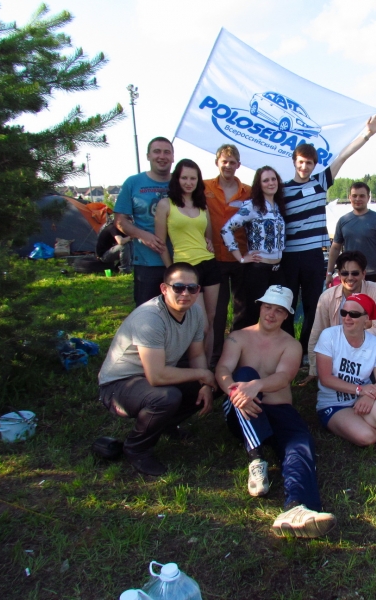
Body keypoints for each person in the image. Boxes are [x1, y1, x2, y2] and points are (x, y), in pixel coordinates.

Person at [215, 285, 336, 539]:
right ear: (260, 307)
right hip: (242, 412)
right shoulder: (238, 337)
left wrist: (257, 386)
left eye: (278, 310)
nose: (271, 314)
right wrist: (236, 391)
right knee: (245, 374)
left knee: (300, 444)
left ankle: (298, 507)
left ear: (286, 315)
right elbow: (223, 369)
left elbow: (283, 377)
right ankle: (256, 457)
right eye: (268, 307)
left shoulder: (291, 344)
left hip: (278, 409)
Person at [280, 112, 376, 362]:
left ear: (314, 165)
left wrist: (367, 135)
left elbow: (343, 156)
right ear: (294, 162)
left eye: (309, 163)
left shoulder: (321, 182)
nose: (304, 167)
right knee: (287, 304)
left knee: (313, 305)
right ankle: (286, 350)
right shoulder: (282, 189)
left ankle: (306, 352)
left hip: (313, 255)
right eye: (301, 162)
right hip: (289, 256)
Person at [97, 263, 216, 476]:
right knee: (166, 397)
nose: (185, 293)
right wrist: (202, 375)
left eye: (192, 288)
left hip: (156, 375)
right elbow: (156, 376)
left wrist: (206, 384)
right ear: (164, 289)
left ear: (198, 290)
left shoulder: (196, 312)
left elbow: (197, 355)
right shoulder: (150, 318)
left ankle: (164, 424)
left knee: (218, 383)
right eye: (178, 287)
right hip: (118, 385)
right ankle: (136, 448)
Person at [315, 293, 376, 446]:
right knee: (368, 437)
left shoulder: (375, 343)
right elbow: (325, 378)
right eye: (344, 312)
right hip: (333, 403)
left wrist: (370, 396)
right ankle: (373, 425)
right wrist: (360, 390)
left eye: (354, 314)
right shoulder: (329, 336)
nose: (347, 318)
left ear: (366, 319)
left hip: (363, 396)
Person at [155, 159, 220, 364]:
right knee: (200, 325)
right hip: (186, 269)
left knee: (211, 320)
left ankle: (206, 368)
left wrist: (208, 242)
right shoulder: (166, 205)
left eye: (193, 178)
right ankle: (195, 368)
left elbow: (208, 235)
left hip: (209, 264)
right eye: (184, 178)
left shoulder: (202, 205)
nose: (189, 182)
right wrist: (172, 270)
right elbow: (160, 243)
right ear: (177, 179)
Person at [303, 251, 376, 384]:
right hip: (337, 351)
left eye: (355, 273)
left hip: (365, 349)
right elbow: (317, 332)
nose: (350, 278)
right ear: (339, 274)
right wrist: (313, 369)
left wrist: (349, 341)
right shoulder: (327, 297)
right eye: (344, 273)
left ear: (364, 274)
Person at [220, 166, 287, 328]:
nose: (271, 183)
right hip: (258, 269)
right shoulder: (252, 206)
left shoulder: (278, 206)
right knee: (249, 315)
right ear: (259, 184)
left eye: (273, 179)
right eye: (266, 180)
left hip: (277, 270)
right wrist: (241, 258)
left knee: (274, 317)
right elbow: (226, 229)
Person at [205, 144, 252, 369]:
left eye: (232, 162)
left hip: (242, 257)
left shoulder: (248, 191)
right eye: (224, 161)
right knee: (217, 312)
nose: (228, 166)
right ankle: (214, 357)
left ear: (238, 165)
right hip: (214, 257)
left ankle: (238, 353)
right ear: (217, 162)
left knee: (242, 309)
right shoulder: (204, 187)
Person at [114, 137, 174, 306]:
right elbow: (120, 220)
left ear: (173, 157)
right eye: (157, 151)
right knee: (148, 313)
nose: (162, 156)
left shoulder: (182, 181)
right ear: (148, 156)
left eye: (167, 152)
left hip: (181, 261)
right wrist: (142, 235)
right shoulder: (133, 183)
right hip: (147, 262)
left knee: (180, 313)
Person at [325, 182, 376, 287]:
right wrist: (329, 273)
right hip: (350, 276)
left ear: (368, 198)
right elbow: (335, 248)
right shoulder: (343, 221)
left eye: (362, 196)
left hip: (372, 274)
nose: (357, 199)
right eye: (354, 196)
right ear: (349, 197)